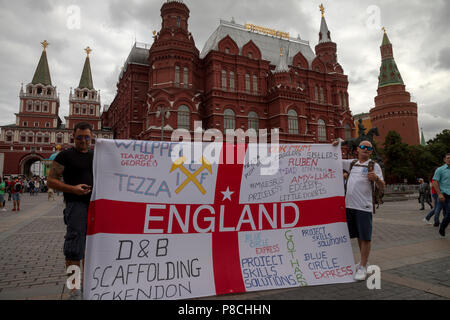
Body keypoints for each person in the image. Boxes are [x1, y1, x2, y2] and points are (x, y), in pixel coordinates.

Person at [47, 122, 94, 300]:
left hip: (96, 207)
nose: (83, 140)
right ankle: (74, 290)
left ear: (92, 137)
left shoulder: (95, 155)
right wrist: (72, 189)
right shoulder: (65, 156)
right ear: (73, 136)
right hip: (76, 206)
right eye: (80, 137)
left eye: (87, 137)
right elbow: (51, 181)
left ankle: (90, 285)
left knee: (92, 249)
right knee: (74, 249)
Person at [333, 139, 385, 281]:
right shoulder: (352, 163)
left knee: (365, 237)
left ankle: (362, 266)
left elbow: (382, 186)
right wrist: (338, 144)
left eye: (369, 148)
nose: (365, 149)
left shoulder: (374, 166)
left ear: (371, 151)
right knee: (358, 235)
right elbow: (333, 158)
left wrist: (376, 179)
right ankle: (364, 262)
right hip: (350, 206)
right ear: (357, 149)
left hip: (364, 207)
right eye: (363, 147)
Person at [433, 153, 450, 237]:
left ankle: (442, 226)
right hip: (445, 194)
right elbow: (435, 181)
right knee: (449, 213)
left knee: (448, 214)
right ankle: (442, 227)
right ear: (445, 159)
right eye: (448, 158)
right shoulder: (440, 169)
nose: (449, 159)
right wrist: (439, 194)